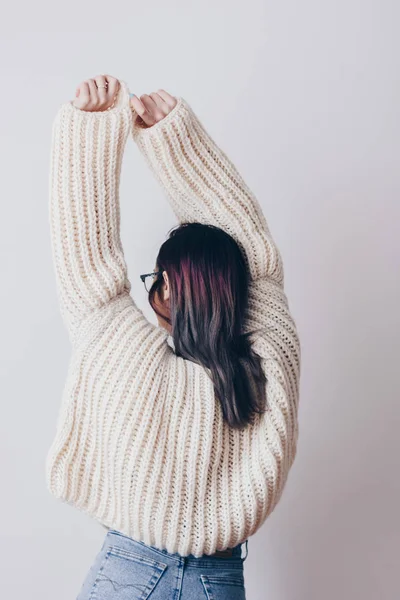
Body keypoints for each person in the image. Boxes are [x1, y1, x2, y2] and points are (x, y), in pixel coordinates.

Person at [46, 74, 301, 599]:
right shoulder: (269, 363)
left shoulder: (124, 355)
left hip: (129, 574)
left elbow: (85, 264)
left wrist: (91, 130)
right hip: (220, 580)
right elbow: (255, 253)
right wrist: (175, 140)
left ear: (164, 290)